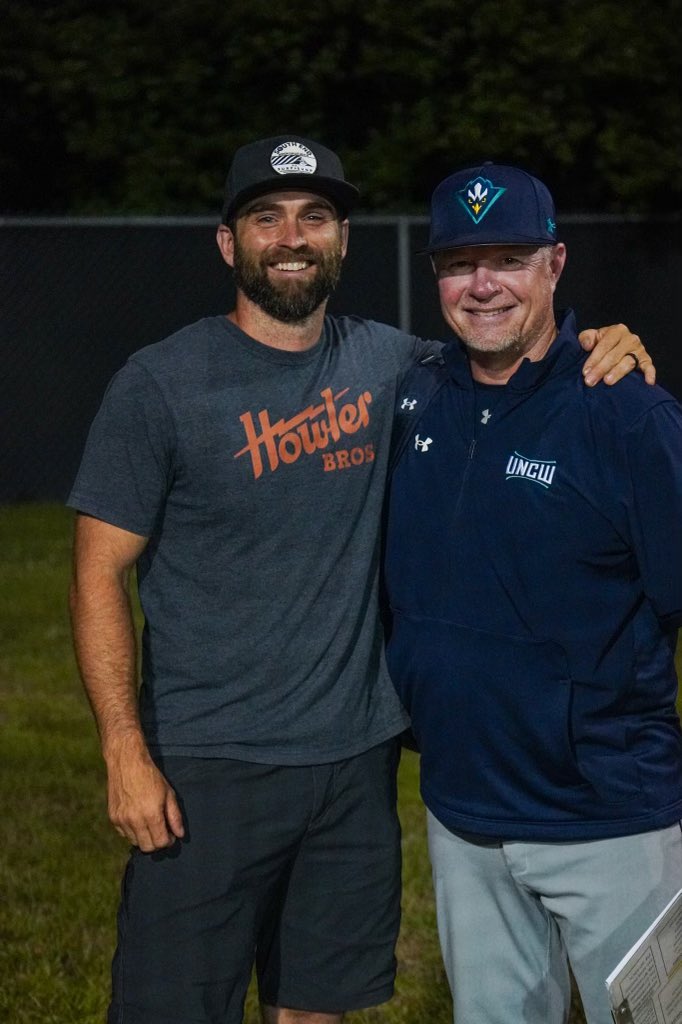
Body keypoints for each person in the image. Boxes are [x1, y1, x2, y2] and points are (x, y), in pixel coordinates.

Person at [68, 135, 651, 1024]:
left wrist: (603, 342)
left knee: (317, 1008)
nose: (292, 236)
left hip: (356, 761)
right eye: (266, 217)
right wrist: (122, 749)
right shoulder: (160, 386)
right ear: (230, 244)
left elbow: (508, 348)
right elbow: (96, 573)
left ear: (343, 240)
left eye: (315, 217)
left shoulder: (398, 367)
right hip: (209, 766)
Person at [383, 162, 682, 1024]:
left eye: (508, 258)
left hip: (609, 821)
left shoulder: (623, 412)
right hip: (463, 816)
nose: (483, 285)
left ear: (555, 263)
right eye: (458, 262)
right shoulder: (416, 400)